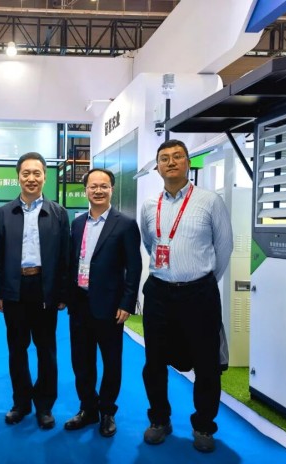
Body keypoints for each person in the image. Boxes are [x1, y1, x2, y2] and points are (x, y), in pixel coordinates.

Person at [140, 139, 233, 453]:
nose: (171, 162)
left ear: (188, 163)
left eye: (177, 156)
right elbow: (150, 243)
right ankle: (159, 420)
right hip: (158, 293)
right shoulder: (149, 205)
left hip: (199, 294)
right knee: (154, 363)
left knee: (206, 364)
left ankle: (204, 425)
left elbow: (224, 247)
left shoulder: (209, 201)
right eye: (164, 158)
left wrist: (201, 280)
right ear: (157, 167)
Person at [0, 152, 69, 430]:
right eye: (26, 173)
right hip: (15, 288)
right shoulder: (3, 213)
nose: (31, 178)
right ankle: (21, 402)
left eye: (37, 173)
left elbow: (65, 257)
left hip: (44, 288)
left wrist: (62, 293)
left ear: (45, 177)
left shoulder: (58, 213)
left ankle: (45, 405)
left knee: (46, 349)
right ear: (18, 177)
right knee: (17, 349)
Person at [64, 168, 142, 438]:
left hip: (110, 306)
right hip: (80, 303)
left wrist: (127, 303)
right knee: (81, 361)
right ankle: (87, 408)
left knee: (111, 361)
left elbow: (134, 267)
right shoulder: (77, 224)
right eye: (93, 186)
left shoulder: (125, 224)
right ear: (85, 190)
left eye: (103, 186)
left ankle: (107, 411)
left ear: (112, 189)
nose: (98, 191)